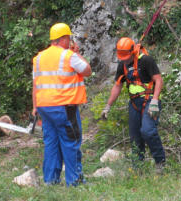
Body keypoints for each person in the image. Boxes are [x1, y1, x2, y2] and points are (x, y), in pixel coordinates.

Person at [32, 23, 92, 186]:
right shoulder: (68, 56)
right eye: (69, 38)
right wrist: (78, 54)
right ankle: (75, 181)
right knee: (71, 141)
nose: (70, 40)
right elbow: (87, 70)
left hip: (44, 107)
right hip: (64, 107)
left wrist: (35, 107)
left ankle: (50, 180)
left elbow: (36, 85)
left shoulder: (38, 58)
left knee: (51, 142)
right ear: (64, 39)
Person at [101, 37, 165, 173]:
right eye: (122, 57)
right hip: (134, 104)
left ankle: (160, 163)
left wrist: (154, 101)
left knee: (147, 131)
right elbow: (117, 86)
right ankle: (138, 168)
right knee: (135, 137)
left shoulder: (146, 60)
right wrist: (108, 106)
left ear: (132, 52)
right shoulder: (122, 66)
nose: (124, 59)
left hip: (150, 101)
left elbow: (158, 80)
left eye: (126, 56)